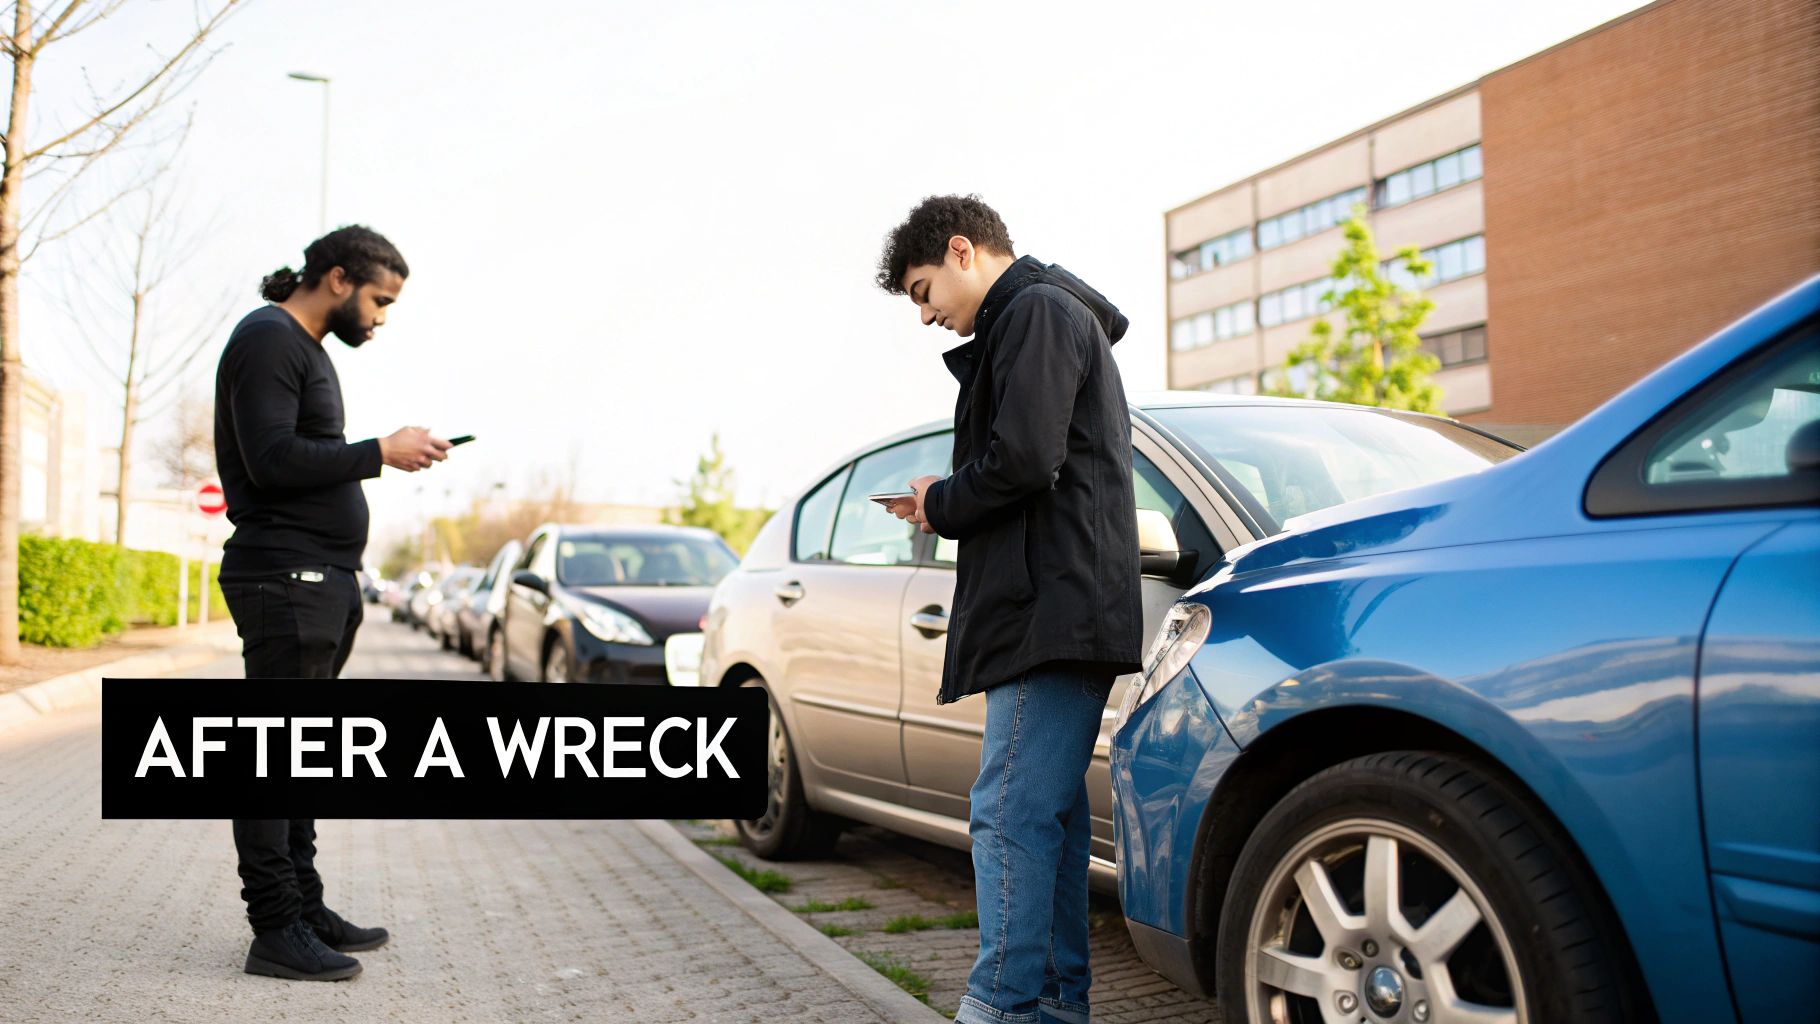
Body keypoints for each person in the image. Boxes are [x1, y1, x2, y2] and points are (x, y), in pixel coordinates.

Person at [876, 195, 1142, 1024]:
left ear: (963, 251)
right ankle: (1055, 1007)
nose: (925, 316)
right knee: (1047, 823)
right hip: (1055, 607)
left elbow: (1024, 458)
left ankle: (998, 1007)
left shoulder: (1033, 311)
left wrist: (944, 500)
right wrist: (944, 503)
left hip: (1048, 615)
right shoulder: (1043, 318)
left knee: (1007, 814)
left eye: (923, 291)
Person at [213, 225, 450, 982]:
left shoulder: (304, 348)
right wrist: (379, 451)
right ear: (339, 278)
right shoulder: (269, 340)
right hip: (285, 577)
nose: (382, 317)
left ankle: (305, 907)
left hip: (319, 579)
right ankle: (274, 927)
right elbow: (272, 460)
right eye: (380, 300)